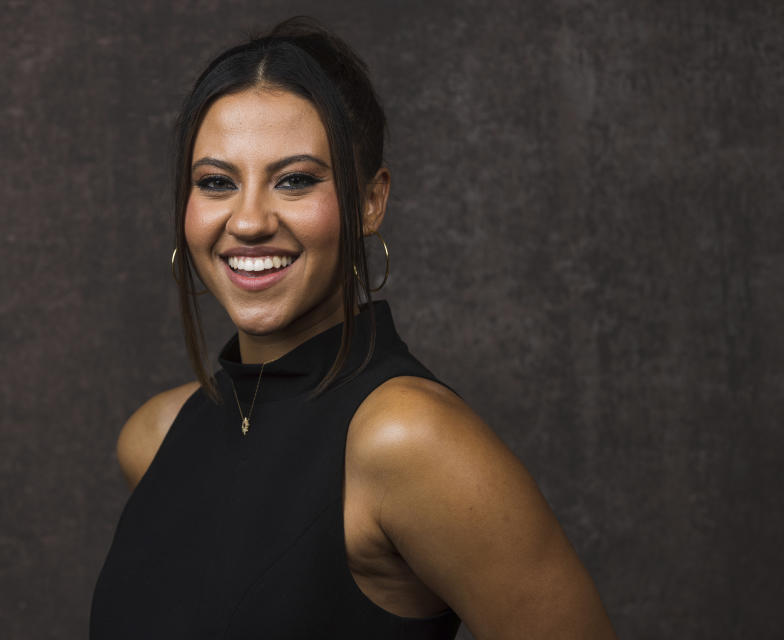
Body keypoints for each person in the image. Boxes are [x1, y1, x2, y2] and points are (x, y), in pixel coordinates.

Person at [90, 16, 617, 639]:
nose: (250, 220)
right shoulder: (153, 439)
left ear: (371, 202)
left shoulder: (409, 438)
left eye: (295, 180)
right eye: (216, 182)